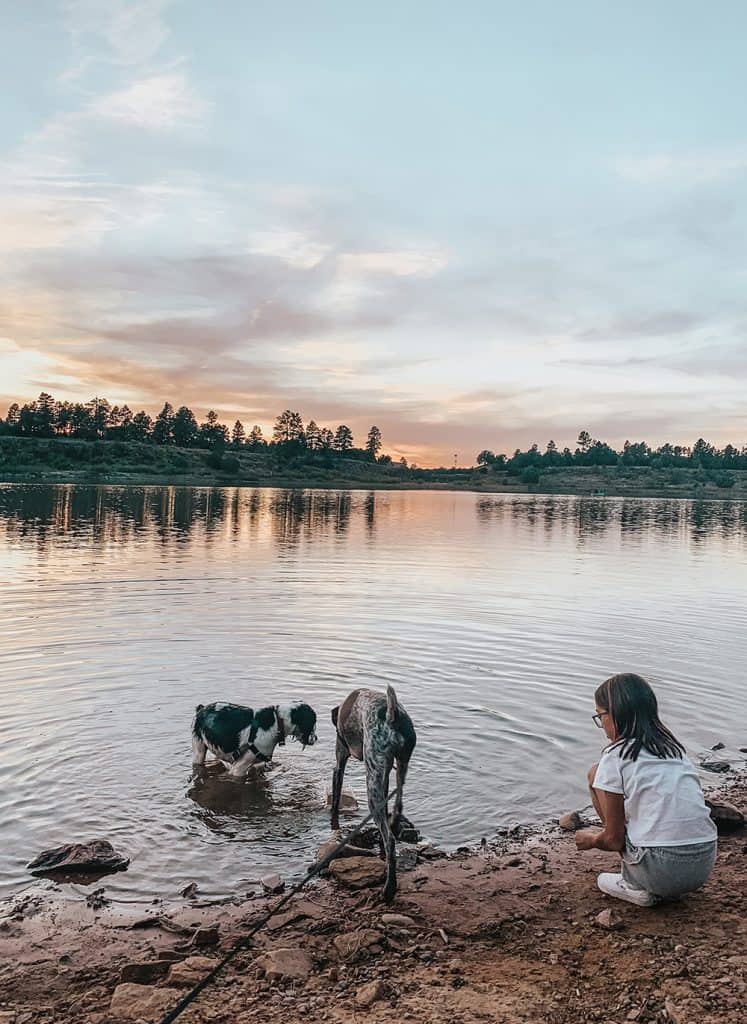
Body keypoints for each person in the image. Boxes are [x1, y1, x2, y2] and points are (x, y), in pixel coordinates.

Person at [575, 672, 717, 906]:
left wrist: (591, 840)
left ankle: (634, 884)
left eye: (600, 716)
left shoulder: (615, 756)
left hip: (662, 868)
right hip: (703, 862)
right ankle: (641, 863)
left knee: (594, 774)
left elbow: (611, 841)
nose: (601, 725)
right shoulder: (674, 750)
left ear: (616, 714)